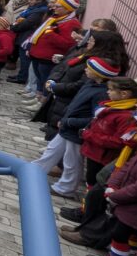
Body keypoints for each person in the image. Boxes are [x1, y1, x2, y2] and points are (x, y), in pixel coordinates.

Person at [33, 57, 120, 198]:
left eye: (89, 69)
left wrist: (71, 122)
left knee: (71, 160)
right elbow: (76, 103)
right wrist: (64, 118)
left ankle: (66, 188)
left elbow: (95, 118)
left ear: (99, 74)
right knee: (52, 150)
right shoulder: (90, 83)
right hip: (67, 125)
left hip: (77, 131)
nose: (85, 70)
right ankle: (35, 170)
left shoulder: (102, 93)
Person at [93, 98, 137, 256]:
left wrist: (118, 195)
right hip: (128, 201)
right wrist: (113, 184)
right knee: (124, 234)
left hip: (136, 205)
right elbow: (130, 165)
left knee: (122, 234)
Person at [79, 76, 137, 188]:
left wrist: (88, 135)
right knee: (90, 181)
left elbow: (118, 142)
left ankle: (88, 205)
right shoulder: (111, 106)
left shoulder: (126, 116)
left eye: (111, 89)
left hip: (103, 157)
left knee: (95, 182)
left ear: (124, 94)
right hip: (95, 152)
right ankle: (85, 205)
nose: (108, 92)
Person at [28, 0, 82, 95]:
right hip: (38, 54)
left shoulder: (71, 23)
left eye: (58, 7)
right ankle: (37, 96)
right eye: (55, 6)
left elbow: (67, 44)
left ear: (67, 9)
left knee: (45, 80)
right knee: (39, 78)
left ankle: (42, 100)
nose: (54, 8)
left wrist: (50, 34)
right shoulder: (55, 18)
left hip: (48, 58)